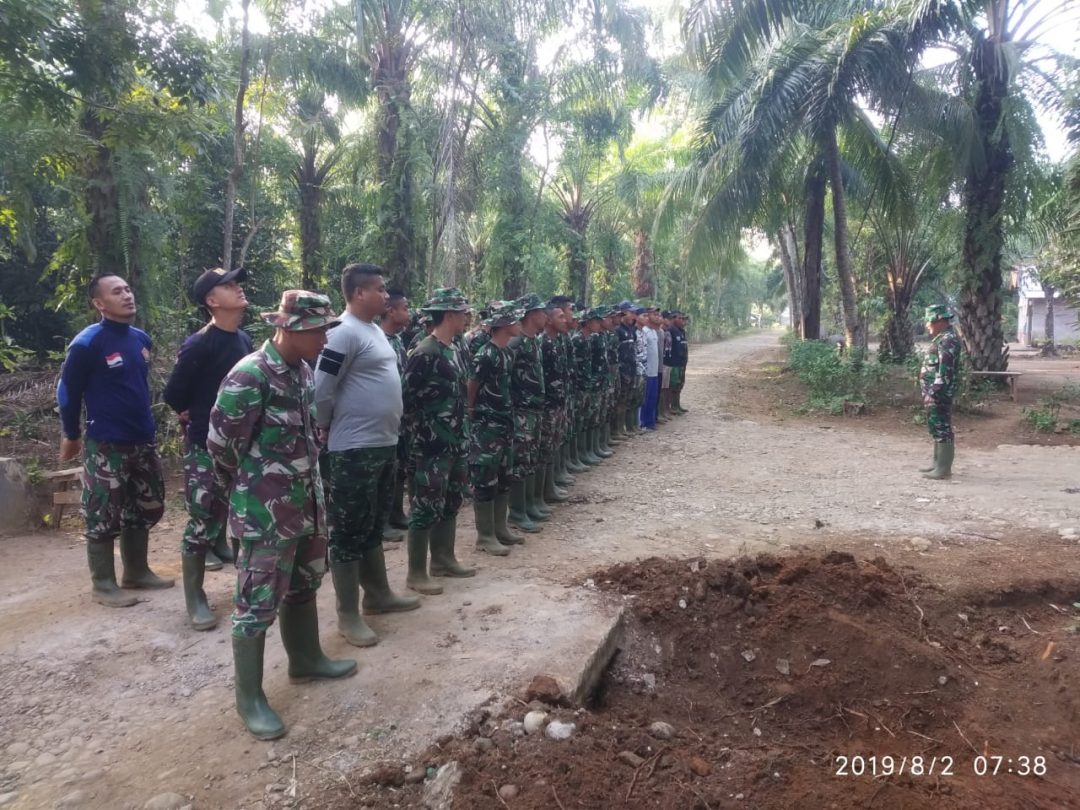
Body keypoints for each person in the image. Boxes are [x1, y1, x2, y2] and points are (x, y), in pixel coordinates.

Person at [207, 290, 356, 741]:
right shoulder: (251, 374)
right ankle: (249, 699)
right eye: (318, 331)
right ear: (290, 328)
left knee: (305, 583)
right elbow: (221, 445)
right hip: (265, 513)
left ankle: (306, 659)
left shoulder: (304, 372)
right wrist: (253, 487)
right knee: (256, 603)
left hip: (306, 504)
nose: (325, 340)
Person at [315, 264, 420, 650]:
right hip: (352, 448)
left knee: (373, 522)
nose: (385, 295)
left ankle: (378, 593)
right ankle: (347, 613)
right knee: (347, 530)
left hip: (383, 444)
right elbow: (322, 388)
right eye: (378, 289)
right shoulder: (341, 334)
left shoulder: (374, 330)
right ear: (358, 293)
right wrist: (323, 428)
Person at [58, 274, 173, 609]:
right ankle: (103, 583)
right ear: (99, 303)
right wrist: (71, 434)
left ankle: (136, 571)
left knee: (147, 506)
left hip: (142, 438)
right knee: (102, 511)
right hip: (106, 442)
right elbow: (67, 391)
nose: (127, 295)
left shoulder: (141, 339)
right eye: (116, 292)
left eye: (127, 289)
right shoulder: (87, 343)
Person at [163, 267, 253, 630]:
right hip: (205, 447)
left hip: (242, 447)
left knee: (242, 519)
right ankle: (195, 598)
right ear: (212, 301)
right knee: (202, 521)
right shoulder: (200, 343)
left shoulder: (244, 340)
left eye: (238, 283)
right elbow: (174, 394)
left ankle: (247, 594)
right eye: (229, 286)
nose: (238, 289)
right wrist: (195, 416)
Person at [402, 287, 474, 594]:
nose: (466, 318)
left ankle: (443, 558)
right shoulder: (425, 352)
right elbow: (405, 399)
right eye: (461, 313)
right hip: (430, 445)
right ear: (449, 315)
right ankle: (416, 573)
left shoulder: (455, 348)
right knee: (425, 506)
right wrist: (421, 433)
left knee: (452, 499)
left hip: (455, 440)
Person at [468, 301, 524, 556]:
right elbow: (472, 386)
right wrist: (471, 414)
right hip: (486, 424)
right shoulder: (485, 354)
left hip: (504, 422)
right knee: (485, 478)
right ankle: (485, 535)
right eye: (515, 321)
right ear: (503, 325)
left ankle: (500, 528)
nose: (519, 324)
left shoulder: (507, 353)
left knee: (503, 476)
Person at [506, 294, 550, 530]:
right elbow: (504, 378)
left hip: (534, 410)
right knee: (521, 461)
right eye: (543, 312)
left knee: (532, 458)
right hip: (520, 411)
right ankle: (517, 512)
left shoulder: (533, 341)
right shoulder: (516, 343)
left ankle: (530, 504)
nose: (546, 317)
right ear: (532, 314)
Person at [380, 290, 412, 541]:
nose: (408, 313)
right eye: (405, 308)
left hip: (401, 417)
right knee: (385, 471)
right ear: (391, 311)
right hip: (383, 420)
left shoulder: (398, 340)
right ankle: (381, 522)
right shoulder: (378, 339)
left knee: (399, 467)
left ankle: (396, 512)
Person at [919, 305, 962, 480]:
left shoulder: (948, 339)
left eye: (930, 321)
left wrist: (935, 391)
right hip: (933, 391)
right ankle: (937, 464)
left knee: (942, 427)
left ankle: (943, 469)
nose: (928, 325)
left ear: (940, 321)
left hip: (939, 392)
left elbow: (945, 370)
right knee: (936, 426)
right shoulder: (942, 338)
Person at [539, 301, 570, 505]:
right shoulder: (541, 343)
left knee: (553, 445)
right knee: (543, 449)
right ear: (548, 319)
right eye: (560, 316)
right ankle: (539, 496)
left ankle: (548, 487)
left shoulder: (557, 341)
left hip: (558, 401)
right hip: (546, 405)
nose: (565, 319)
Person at [615, 301, 640, 435]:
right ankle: (617, 430)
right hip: (622, 371)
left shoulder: (631, 330)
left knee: (627, 400)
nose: (634, 316)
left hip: (631, 369)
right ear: (623, 312)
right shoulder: (618, 330)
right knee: (620, 400)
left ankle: (624, 428)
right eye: (631, 313)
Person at [640, 307, 660, 430]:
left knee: (653, 398)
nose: (657, 317)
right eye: (654, 314)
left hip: (654, 371)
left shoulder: (654, 331)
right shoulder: (645, 331)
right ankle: (642, 422)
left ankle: (650, 422)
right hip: (647, 371)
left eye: (657, 314)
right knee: (645, 398)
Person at [667, 310, 690, 415]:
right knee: (673, 385)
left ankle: (677, 405)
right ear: (674, 319)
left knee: (680, 384)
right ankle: (671, 406)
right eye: (680, 318)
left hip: (682, 363)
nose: (682, 321)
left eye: (683, 319)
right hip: (674, 363)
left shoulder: (682, 331)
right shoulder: (671, 331)